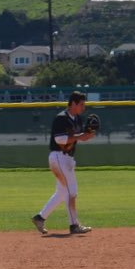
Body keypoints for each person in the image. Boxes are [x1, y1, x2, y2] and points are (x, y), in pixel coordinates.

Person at [30, 91, 95, 235]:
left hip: (67, 159)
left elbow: (79, 136)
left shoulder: (77, 119)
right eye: (81, 104)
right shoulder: (61, 118)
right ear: (73, 103)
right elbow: (59, 140)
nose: (83, 107)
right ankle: (74, 225)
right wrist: (80, 136)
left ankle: (40, 218)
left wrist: (88, 134)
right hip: (58, 157)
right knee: (72, 191)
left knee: (61, 193)